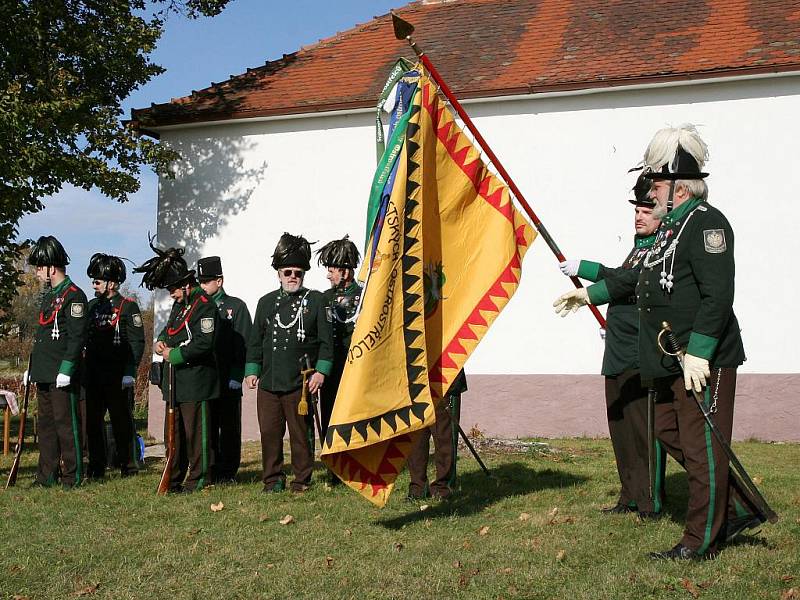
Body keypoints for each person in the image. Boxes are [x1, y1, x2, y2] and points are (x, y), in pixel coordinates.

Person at [554, 124, 762, 559]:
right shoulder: (670, 229)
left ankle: (699, 541)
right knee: (669, 431)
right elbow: (637, 277)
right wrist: (589, 293)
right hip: (672, 359)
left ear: (680, 190)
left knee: (701, 446)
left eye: (659, 184)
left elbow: (717, 297)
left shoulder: (707, 225)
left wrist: (700, 354)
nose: (652, 191)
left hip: (703, 358)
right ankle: (736, 506)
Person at [558, 172, 666, 519]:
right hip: (618, 352)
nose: (639, 216)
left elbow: (628, 281)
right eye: (637, 210)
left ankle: (650, 501)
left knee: (642, 430)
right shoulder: (638, 248)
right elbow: (619, 277)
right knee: (620, 428)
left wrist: (589, 289)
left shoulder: (660, 250)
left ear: (663, 214)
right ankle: (629, 495)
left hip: (640, 355)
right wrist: (584, 267)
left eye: (647, 210)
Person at [245, 233, 333, 494]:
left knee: (299, 434)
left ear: (303, 274)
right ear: (279, 274)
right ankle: (272, 479)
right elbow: (255, 342)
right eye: (288, 272)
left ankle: (301, 479)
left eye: (298, 272)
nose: (293, 276)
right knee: (270, 434)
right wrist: (252, 370)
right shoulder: (266, 303)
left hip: (300, 381)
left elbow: (326, 343)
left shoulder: (317, 301)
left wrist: (321, 372)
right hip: (270, 382)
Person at [134, 240, 218, 492]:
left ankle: (200, 477)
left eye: (173, 289)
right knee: (176, 435)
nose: (171, 294)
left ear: (185, 284)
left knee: (197, 435)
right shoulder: (179, 306)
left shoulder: (205, 305)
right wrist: (161, 342)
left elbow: (205, 343)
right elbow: (170, 330)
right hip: (177, 382)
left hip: (197, 380)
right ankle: (175, 476)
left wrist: (175, 354)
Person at [26, 236, 88, 488]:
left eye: (40, 267)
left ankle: (72, 475)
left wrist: (66, 369)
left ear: (52, 268)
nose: (38, 272)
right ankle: (47, 475)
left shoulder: (74, 296)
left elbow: (76, 337)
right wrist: (33, 369)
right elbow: (42, 337)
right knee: (47, 427)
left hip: (62, 373)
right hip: (44, 371)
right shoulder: (50, 296)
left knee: (66, 425)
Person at [84, 253, 145, 478]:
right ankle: (96, 466)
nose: (94, 285)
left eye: (97, 281)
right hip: (94, 374)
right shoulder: (92, 307)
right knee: (93, 424)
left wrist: (130, 371)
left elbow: (137, 342)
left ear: (111, 283)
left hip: (118, 375)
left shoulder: (128, 307)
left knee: (122, 423)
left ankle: (128, 465)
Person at [197, 256, 252, 482]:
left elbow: (244, 344)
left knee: (229, 428)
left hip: (229, 377)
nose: (202, 286)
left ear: (219, 281)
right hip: (206, 379)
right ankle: (210, 469)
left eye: (207, 281)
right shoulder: (198, 308)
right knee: (208, 427)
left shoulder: (235, 307)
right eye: (201, 281)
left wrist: (238, 375)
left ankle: (228, 471)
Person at [316, 236, 362, 436]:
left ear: (345, 271)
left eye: (331, 271)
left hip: (357, 370)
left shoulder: (365, 296)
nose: (328, 276)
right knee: (330, 421)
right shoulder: (324, 298)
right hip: (332, 371)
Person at [407, 371, 467, 500]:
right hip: (415, 382)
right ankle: (418, 488)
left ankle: (443, 488)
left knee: (445, 438)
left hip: (445, 380)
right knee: (416, 440)